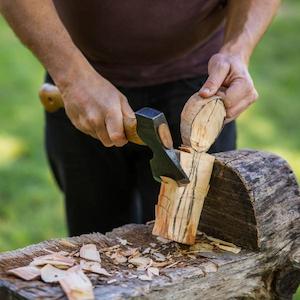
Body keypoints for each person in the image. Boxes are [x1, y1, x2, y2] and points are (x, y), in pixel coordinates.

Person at [0, 0, 280, 236]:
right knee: (93, 246)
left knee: (198, 239)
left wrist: (238, 49)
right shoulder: (74, 80)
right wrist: (72, 77)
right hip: (80, 77)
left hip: (203, 87)